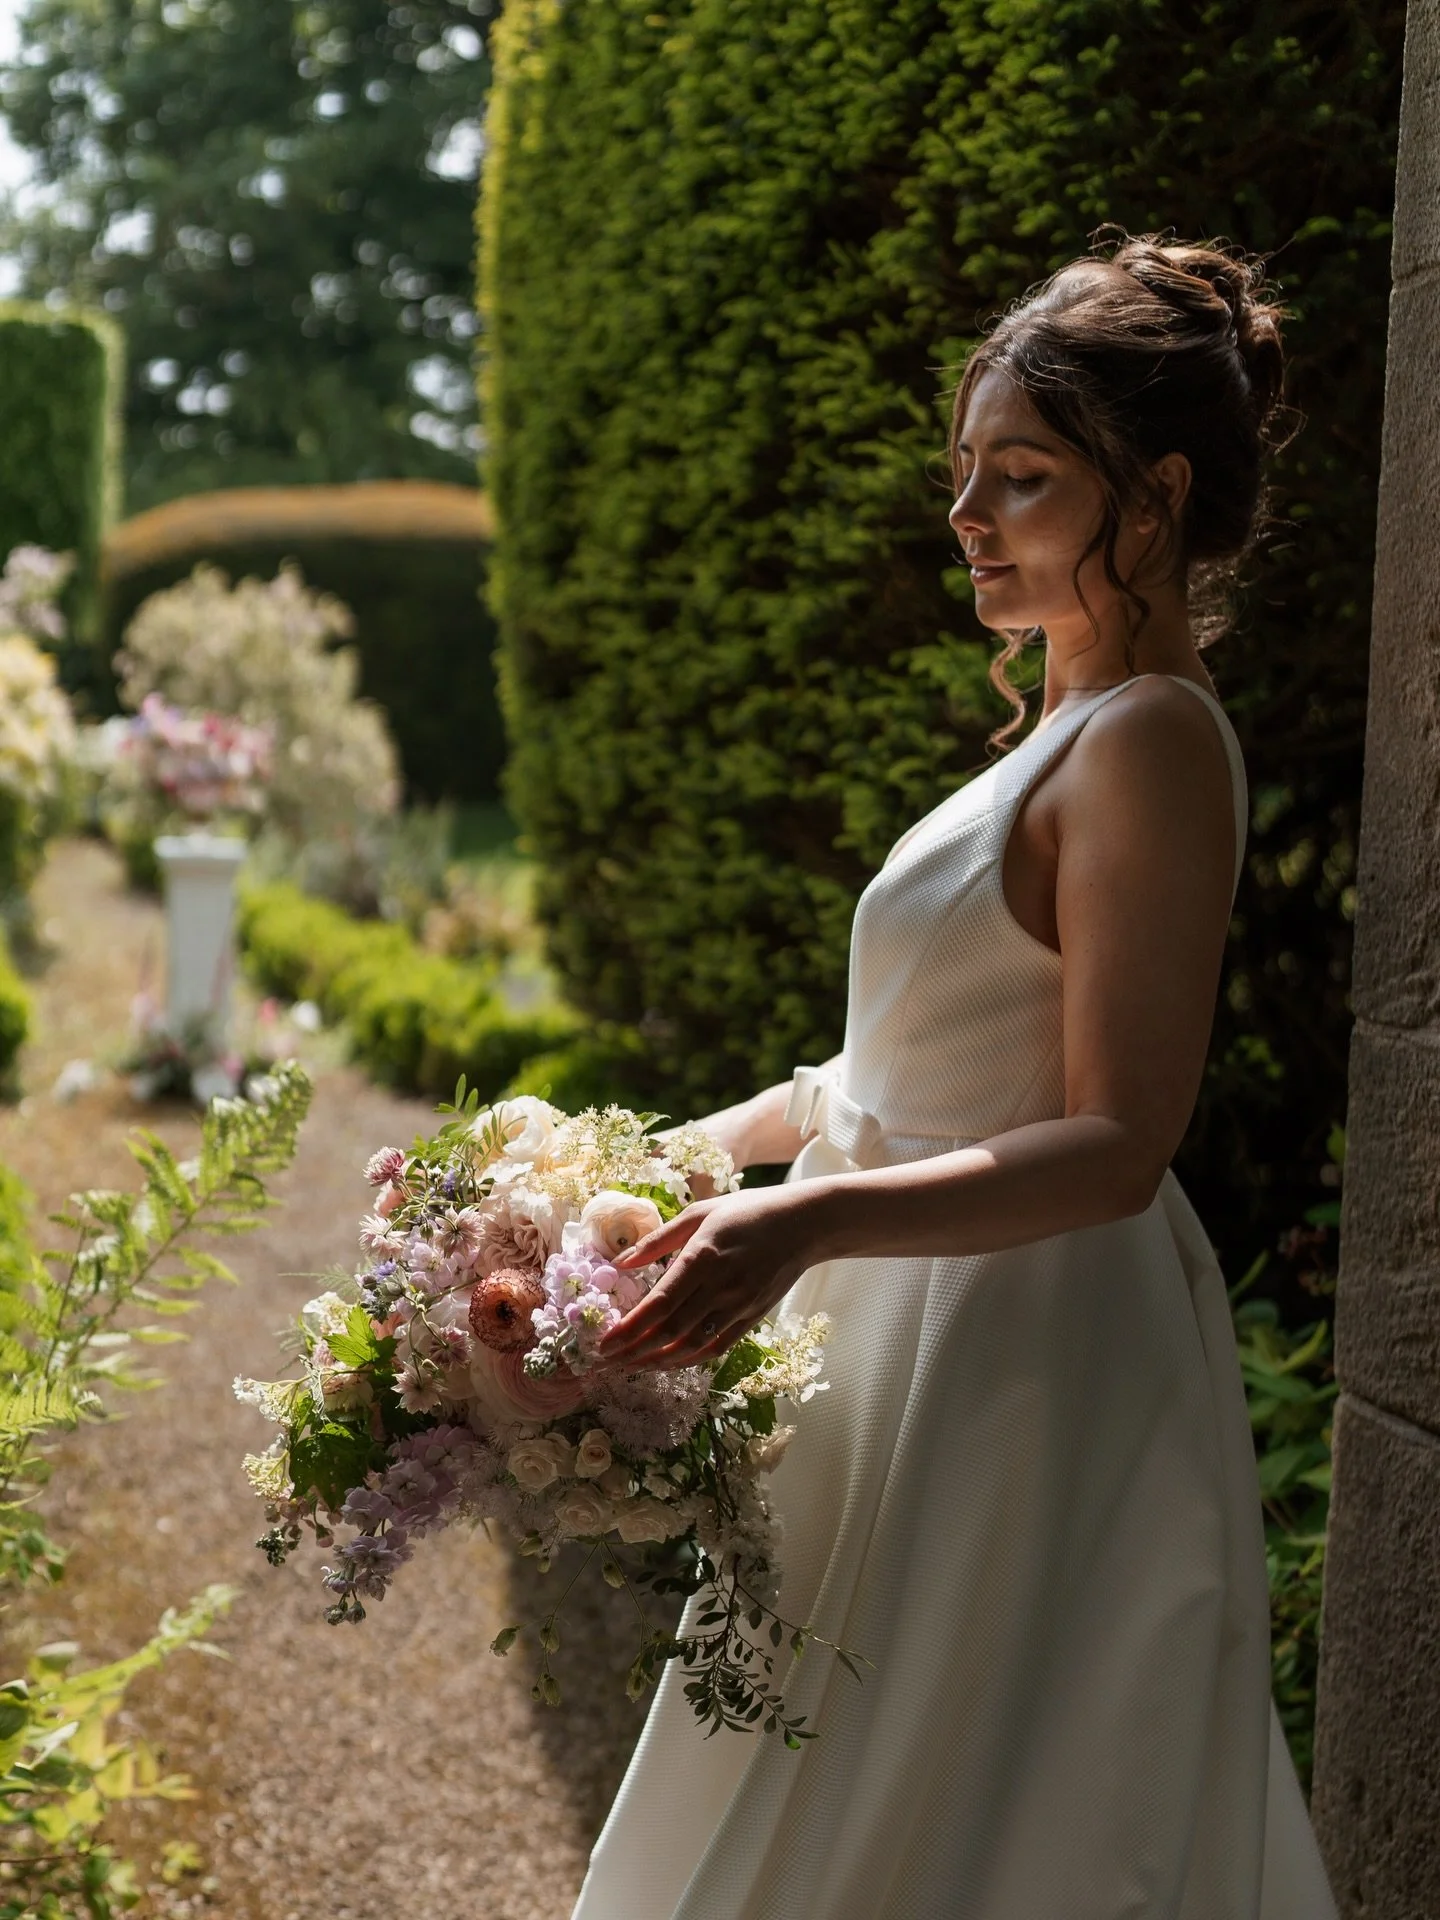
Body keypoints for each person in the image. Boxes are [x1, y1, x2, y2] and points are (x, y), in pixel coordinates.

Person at [572, 235, 1338, 1920]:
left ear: (1157, 496)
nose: (968, 513)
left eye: (1025, 476)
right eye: (967, 471)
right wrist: (642, 1159)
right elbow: (892, 1071)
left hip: (1019, 1360)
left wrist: (803, 1224)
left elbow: (1121, 1140)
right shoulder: (1064, 728)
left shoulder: (1151, 739)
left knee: (972, 1812)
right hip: (910, 1319)